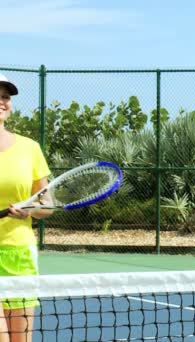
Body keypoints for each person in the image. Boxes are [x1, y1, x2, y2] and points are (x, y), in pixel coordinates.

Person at [0, 73, 53, 342]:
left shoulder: (30, 148)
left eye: (5, 97)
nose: (2, 102)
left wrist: (29, 211)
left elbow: (48, 206)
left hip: (20, 255)